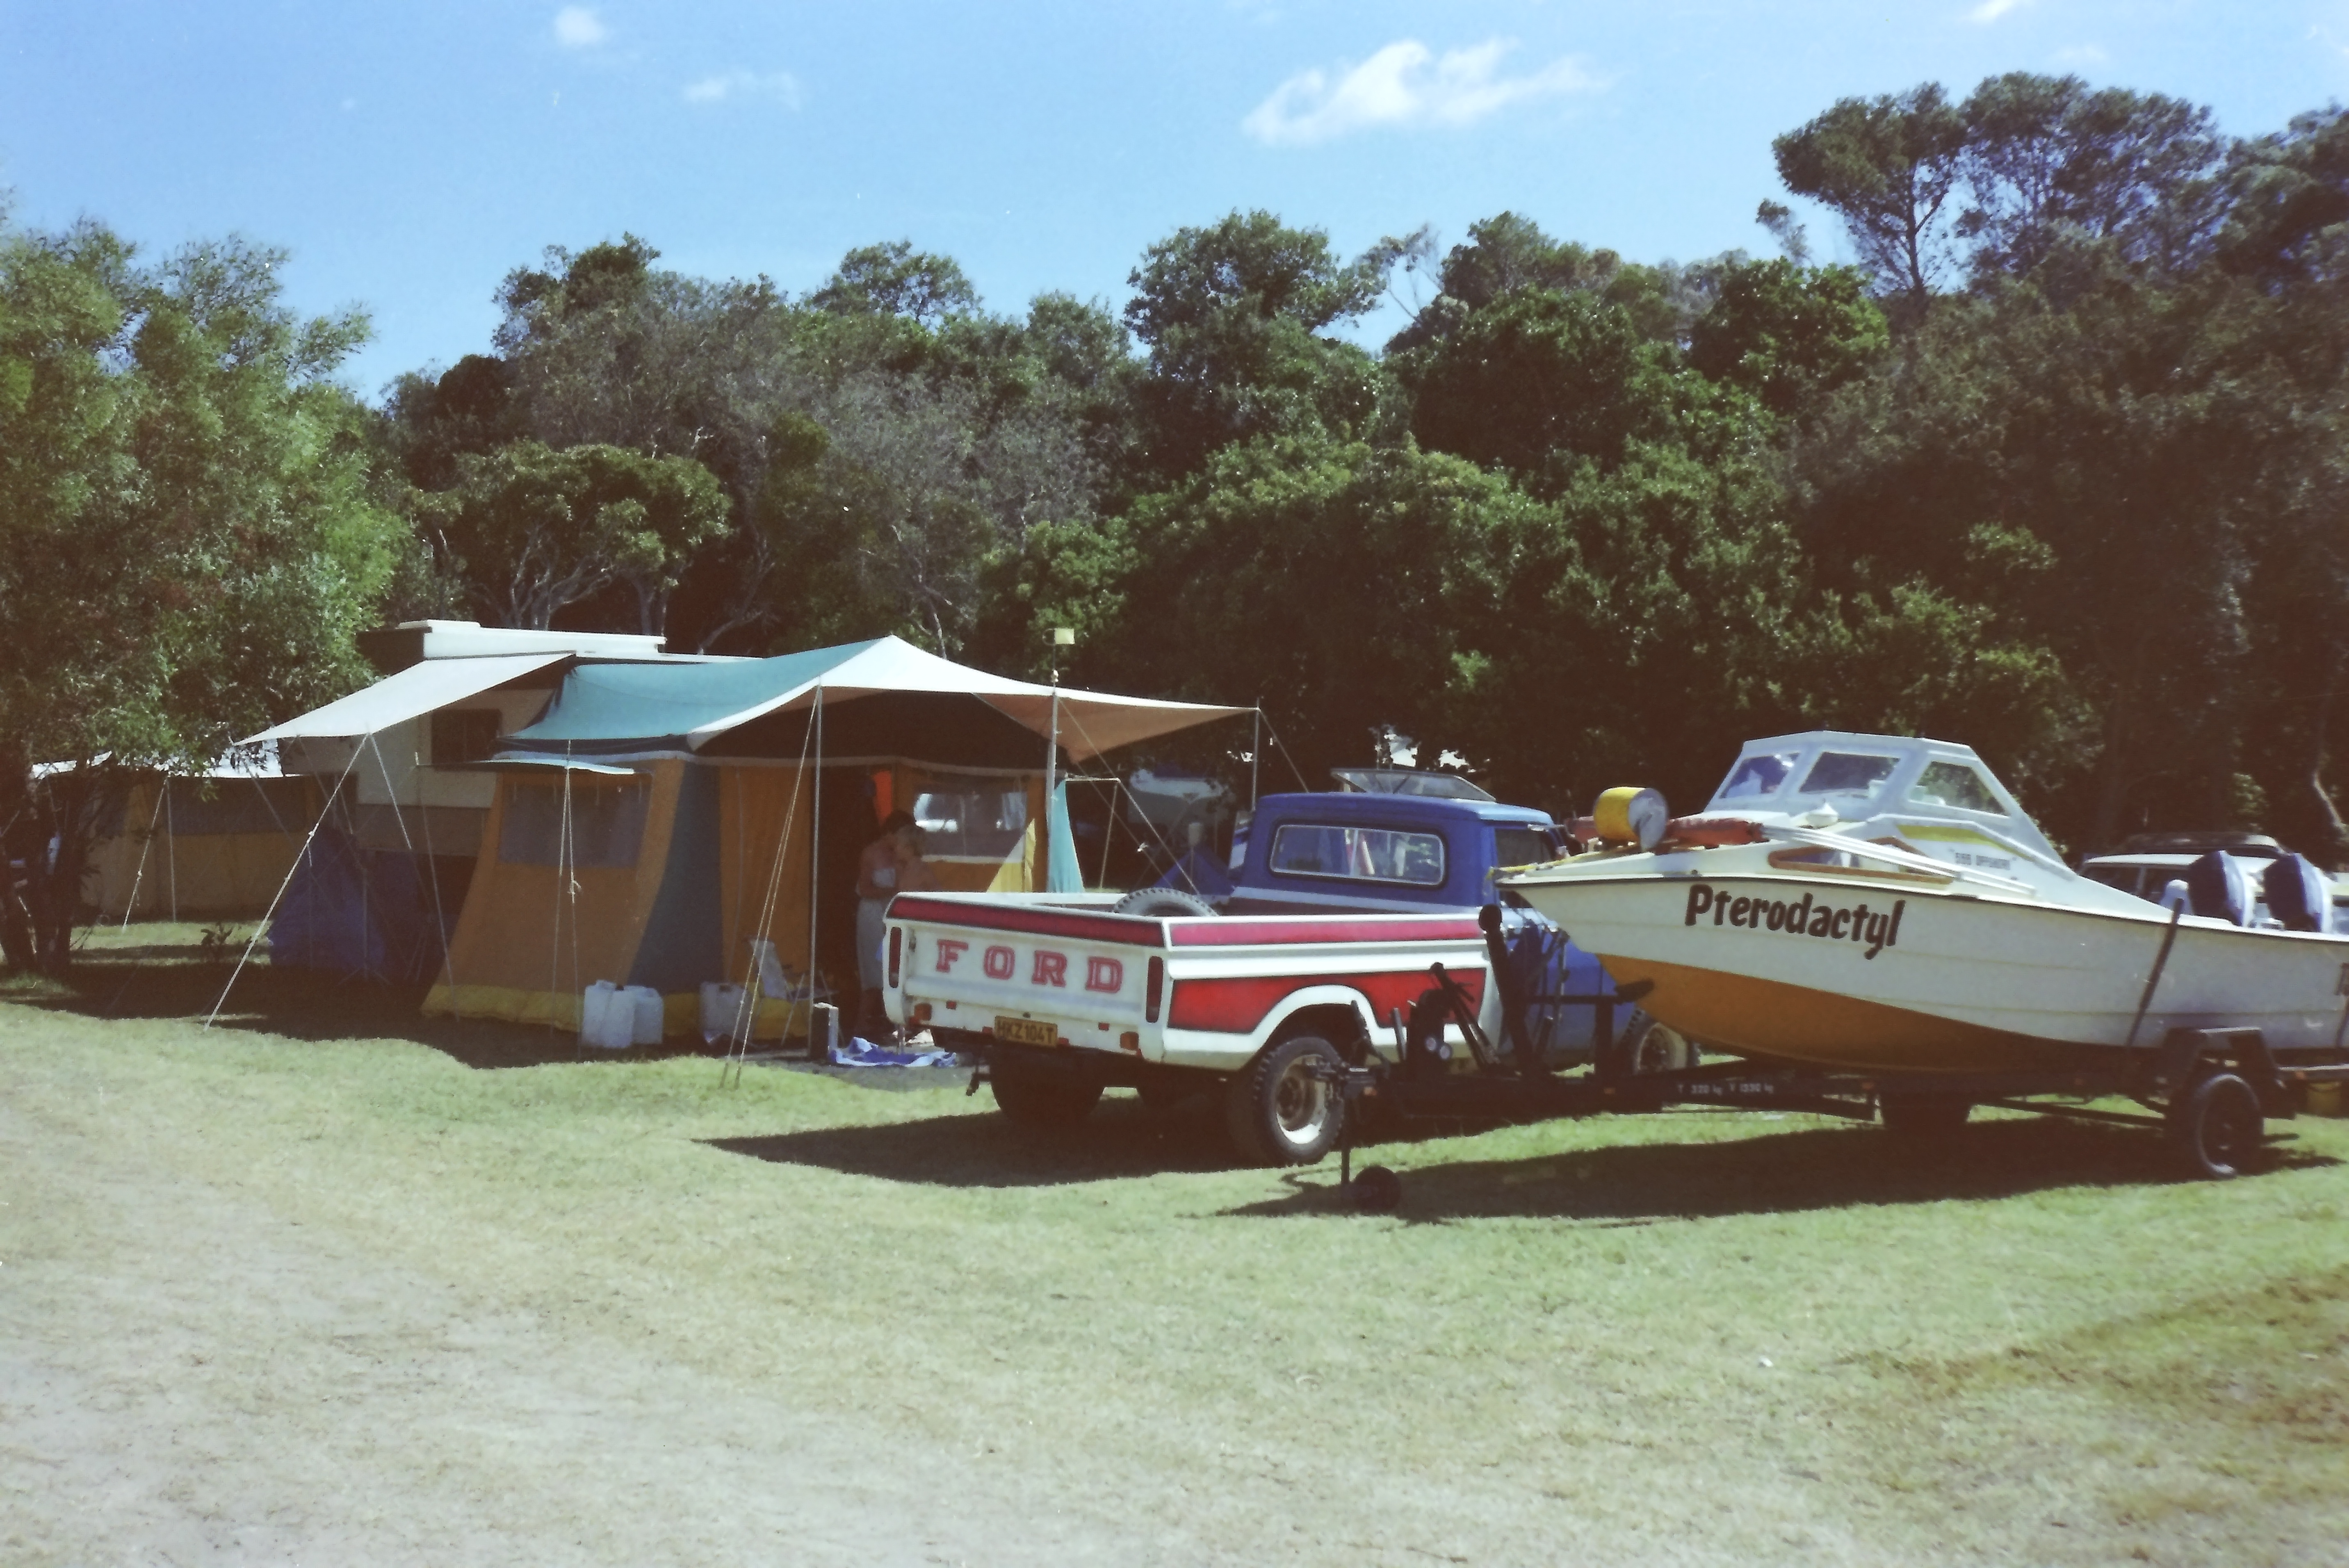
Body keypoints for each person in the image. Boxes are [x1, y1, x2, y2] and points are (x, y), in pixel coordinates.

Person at [855, 811, 916, 1038]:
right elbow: (864, 889)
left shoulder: (904, 854)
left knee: (896, 967)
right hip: (873, 913)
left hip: (895, 914)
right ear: (890, 833)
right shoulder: (871, 853)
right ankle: (862, 1024)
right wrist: (892, 893)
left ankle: (892, 1022)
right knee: (874, 968)